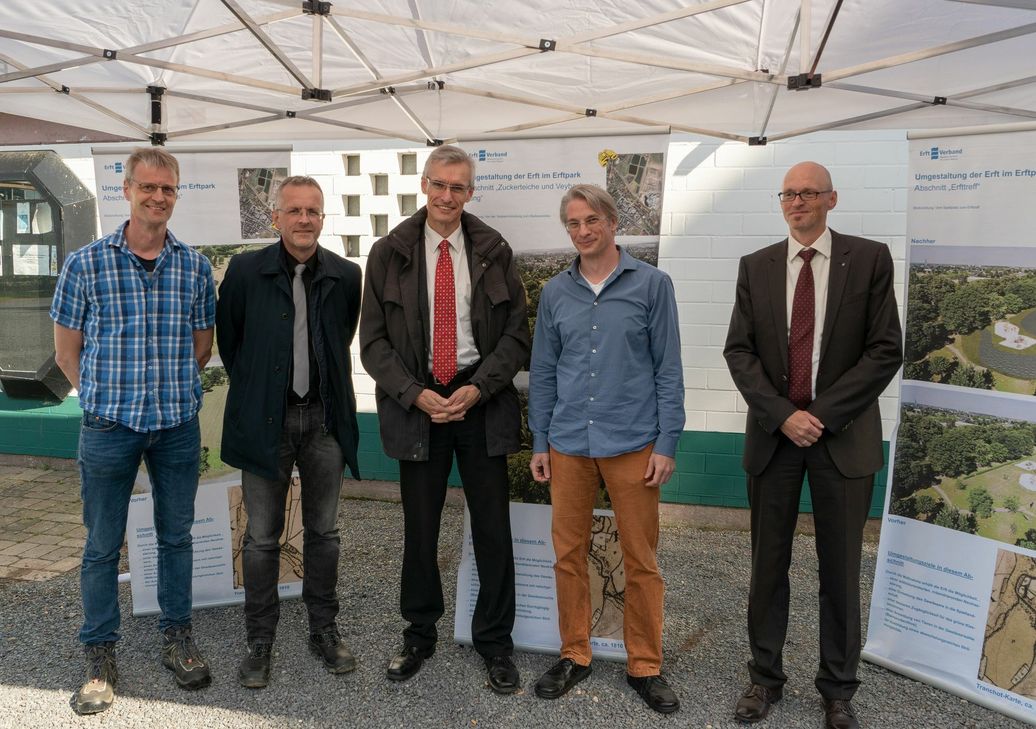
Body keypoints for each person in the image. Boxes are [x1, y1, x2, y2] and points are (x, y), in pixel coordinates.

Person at [723, 162, 903, 729]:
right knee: (767, 565)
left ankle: (838, 690)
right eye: (788, 194)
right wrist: (783, 417)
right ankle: (765, 679)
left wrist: (817, 417)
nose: (796, 202)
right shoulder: (756, 267)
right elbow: (739, 352)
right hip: (774, 440)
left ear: (832, 198)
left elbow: (884, 349)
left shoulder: (868, 259)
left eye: (807, 193)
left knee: (841, 568)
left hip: (841, 439)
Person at [359, 144, 529, 694]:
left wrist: (478, 389)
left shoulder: (493, 249)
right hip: (420, 406)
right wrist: (414, 393)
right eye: (439, 185)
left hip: (481, 402)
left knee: (492, 530)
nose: (447, 196)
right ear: (424, 186)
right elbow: (373, 344)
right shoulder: (389, 253)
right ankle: (418, 634)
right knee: (420, 529)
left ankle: (495, 643)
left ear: (470, 193)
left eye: (458, 187)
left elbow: (515, 336)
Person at [51, 147, 216, 715]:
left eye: (168, 189)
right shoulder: (85, 264)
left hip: (175, 427)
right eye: (148, 187)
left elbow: (201, 347)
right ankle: (99, 653)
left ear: (176, 194)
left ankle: (178, 639)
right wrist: (102, 397)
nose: (158, 198)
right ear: (126, 190)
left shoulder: (193, 267)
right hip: (109, 427)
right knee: (101, 545)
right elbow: (66, 351)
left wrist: (166, 389)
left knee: (177, 537)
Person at [528, 184, 684, 714]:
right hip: (568, 442)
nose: (582, 231)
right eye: (573, 223)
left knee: (640, 558)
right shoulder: (556, 293)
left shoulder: (653, 285)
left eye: (591, 219)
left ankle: (645, 665)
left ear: (613, 222)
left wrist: (667, 443)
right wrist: (540, 440)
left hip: (633, 444)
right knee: (568, 555)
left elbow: (668, 369)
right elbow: (544, 372)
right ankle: (575, 653)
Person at [216, 176, 362, 689]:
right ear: (274, 217)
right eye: (294, 210)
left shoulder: (346, 275)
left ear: (324, 219)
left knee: (324, 532)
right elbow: (232, 342)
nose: (304, 219)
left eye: (313, 211)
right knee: (260, 538)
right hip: (265, 423)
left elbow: (339, 338)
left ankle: (323, 629)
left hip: (323, 421)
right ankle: (260, 639)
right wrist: (264, 393)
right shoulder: (245, 270)